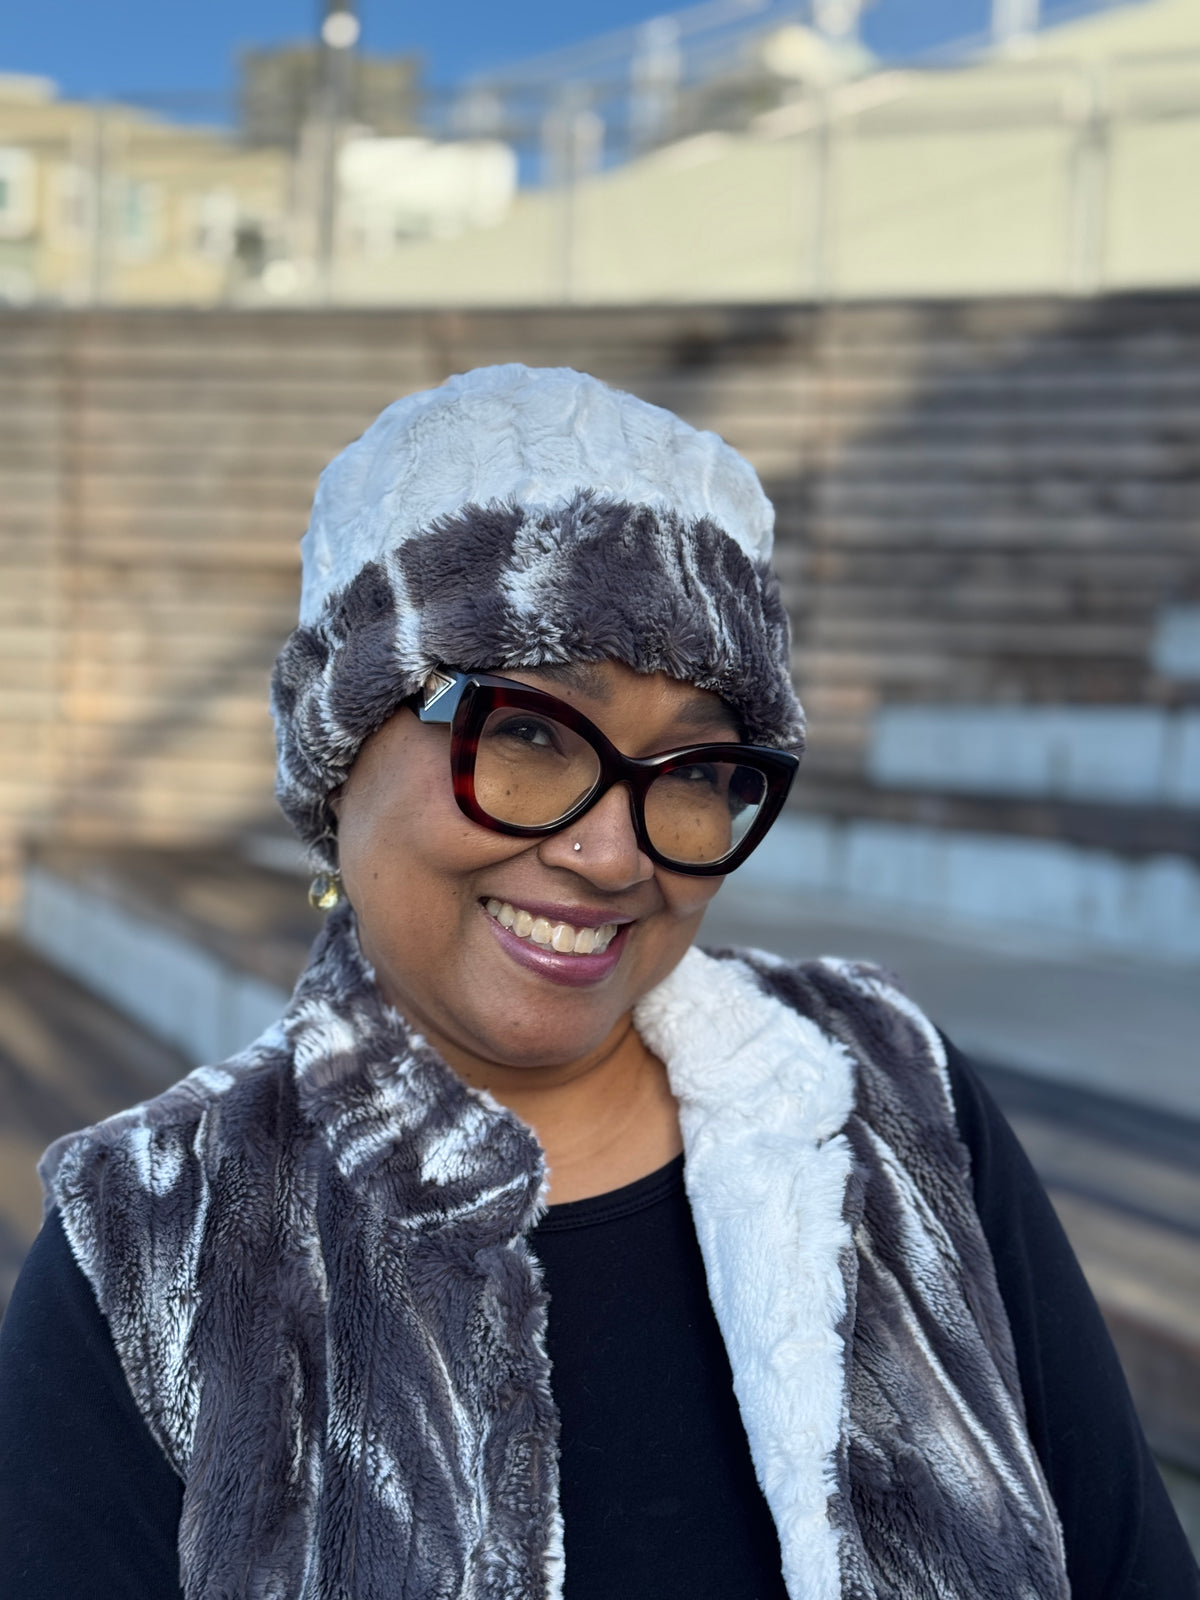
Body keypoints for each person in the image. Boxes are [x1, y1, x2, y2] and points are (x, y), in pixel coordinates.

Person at [0, 365, 1195, 1600]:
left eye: (692, 769)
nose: (613, 852)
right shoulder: (153, 1239)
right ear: (339, 749)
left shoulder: (887, 1098)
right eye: (527, 731)